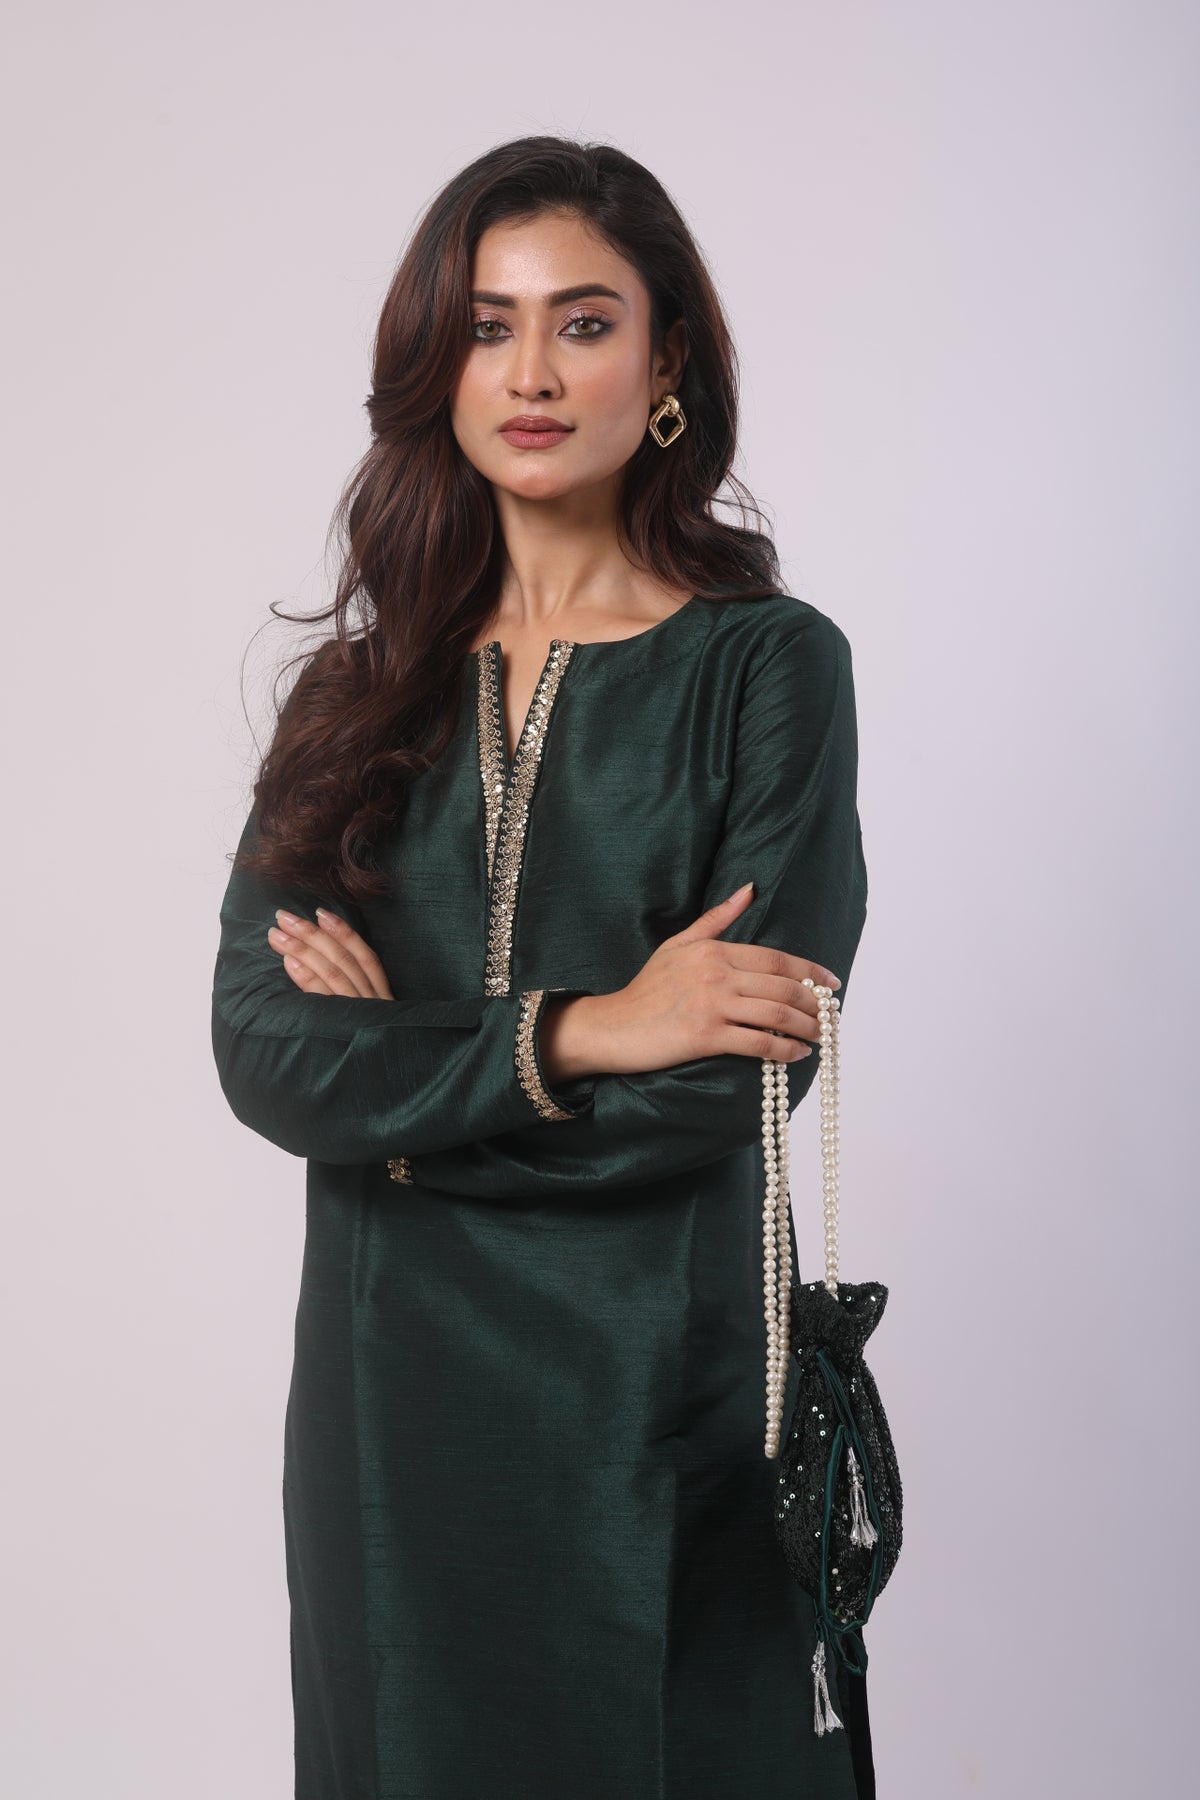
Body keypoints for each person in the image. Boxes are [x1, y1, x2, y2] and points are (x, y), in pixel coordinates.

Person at [211, 134, 873, 1800]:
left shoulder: (767, 671)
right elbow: (267, 1053)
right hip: (388, 1416)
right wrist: (588, 1028)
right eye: (487, 326)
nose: (529, 374)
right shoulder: (354, 701)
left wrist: (399, 1097)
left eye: (584, 323)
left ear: (666, 363)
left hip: (663, 1402)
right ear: (435, 366)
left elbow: (722, 1088)